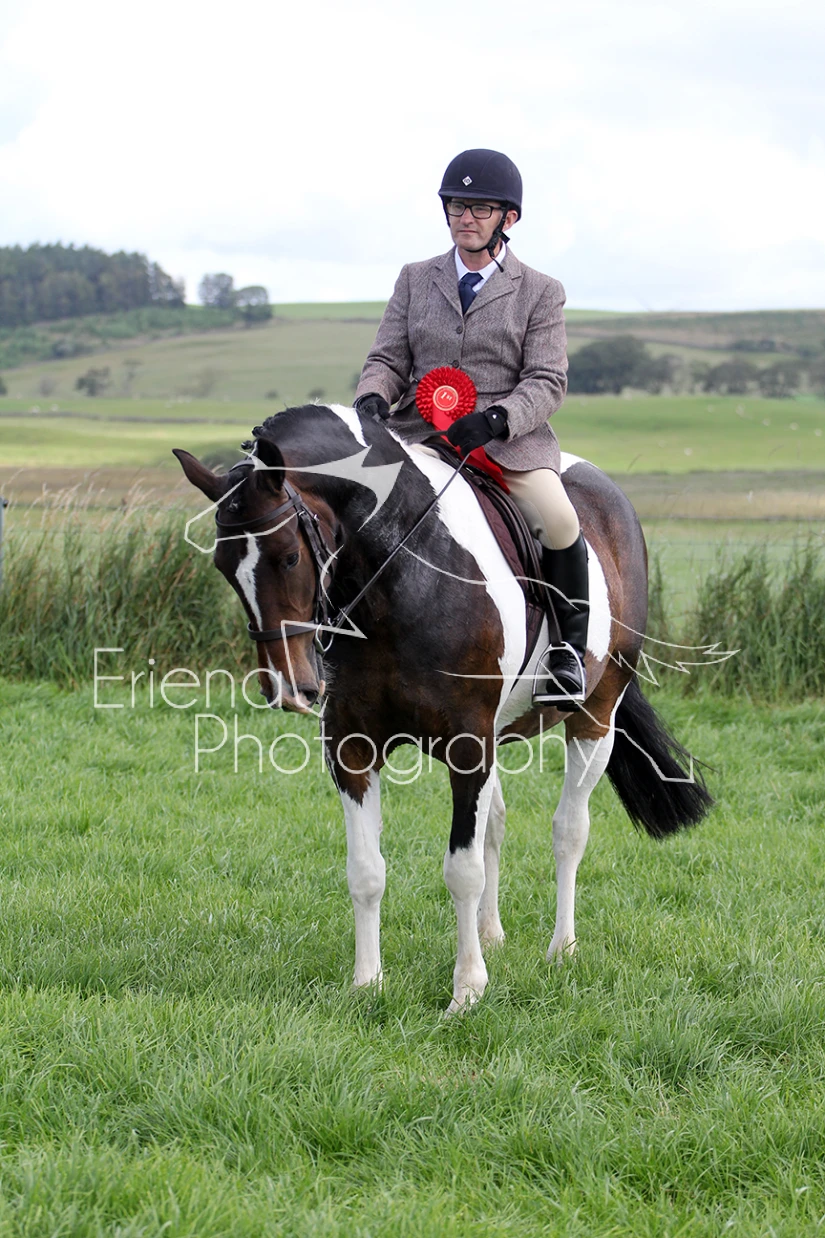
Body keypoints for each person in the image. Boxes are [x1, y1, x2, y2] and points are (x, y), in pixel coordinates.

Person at [354, 149, 588, 705]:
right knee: (347, 502)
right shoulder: (416, 278)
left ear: (508, 218)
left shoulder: (541, 291)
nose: (466, 218)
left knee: (559, 520)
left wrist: (500, 418)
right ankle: (333, 638)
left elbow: (547, 378)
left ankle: (568, 654)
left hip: (505, 442)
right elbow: (387, 358)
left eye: (480, 208)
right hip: (418, 433)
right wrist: (372, 396)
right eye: (457, 206)